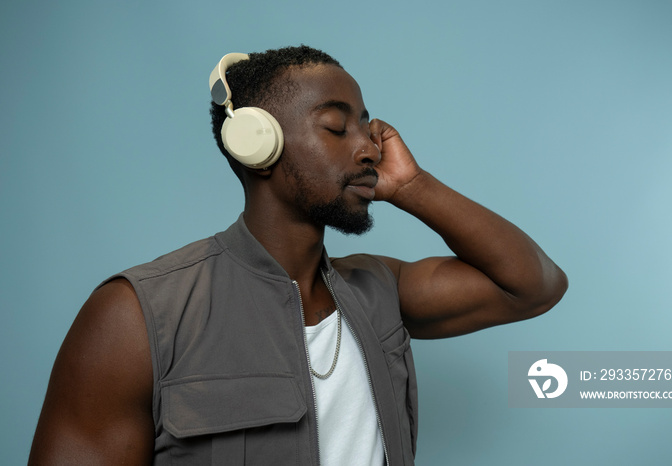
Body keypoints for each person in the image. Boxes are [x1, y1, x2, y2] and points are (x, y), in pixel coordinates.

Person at [29, 45, 567, 465]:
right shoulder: (136, 316)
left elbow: (534, 285)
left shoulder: (382, 291)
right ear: (256, 144)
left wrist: (413, 185)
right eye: (336, 126)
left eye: (366, 125)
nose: (369, 147)